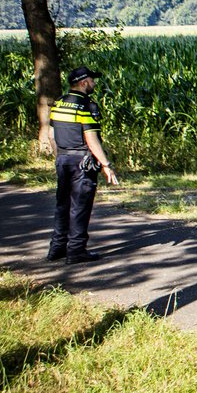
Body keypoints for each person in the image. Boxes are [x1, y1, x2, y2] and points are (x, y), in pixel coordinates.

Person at [48, 66, 120, 262]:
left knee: (63, 204)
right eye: (92, 80)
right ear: (83, 83)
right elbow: (91, 138)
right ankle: (76, 250)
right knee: (80, 206)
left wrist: (60, 156)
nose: (94, 84)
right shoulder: (87, 106)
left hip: (63, 159)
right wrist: (106, 163)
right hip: (82, 162)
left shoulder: (59, 103)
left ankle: (57, 248)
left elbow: (51, 135)